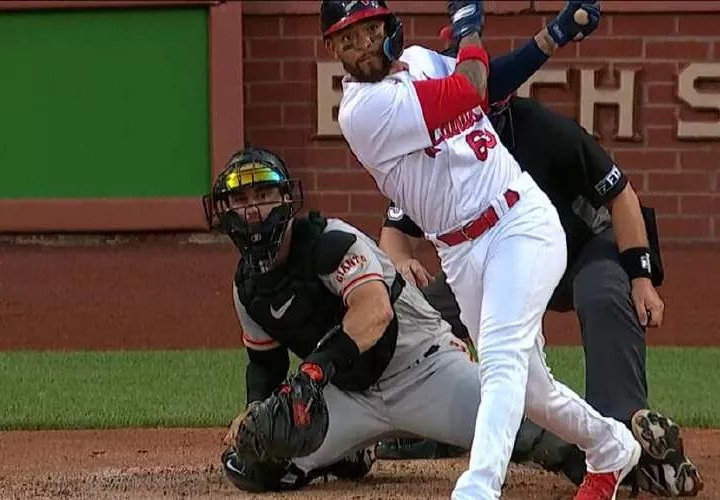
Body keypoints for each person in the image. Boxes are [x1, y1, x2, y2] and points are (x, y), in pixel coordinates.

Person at [327, 0, 644, 498]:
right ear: (333, 50)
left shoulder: (421, 59)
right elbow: (468, 88)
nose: (361, 45)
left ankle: (478, 489)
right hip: (459, 253)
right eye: (346, 39)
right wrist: (469, 30)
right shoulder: (361, 111)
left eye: (367, 31)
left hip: (520, 222)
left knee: (498, 361)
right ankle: (611, 445)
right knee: (533, 393)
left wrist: (549, 34)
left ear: (388, 27)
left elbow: (490, 84)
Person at [205, 145, 602, 494]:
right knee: (255, 462)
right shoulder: (248, 290)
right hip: (349, 394)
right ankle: (352, 452)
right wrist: (254, 410)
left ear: (286, 199)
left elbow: (374, 312)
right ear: (224, 211)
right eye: (241, 199)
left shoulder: (331, 242)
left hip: (423, 369)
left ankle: (622, 453)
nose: (253, 209)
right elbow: (265, 363)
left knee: (527, 430)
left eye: (264, 194)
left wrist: (312, 373)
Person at [377, 95, 704, 497]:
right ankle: (613, 444)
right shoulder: (433, 143)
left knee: (593, 300)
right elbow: (394, 228)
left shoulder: (542, 127)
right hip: (491, 258)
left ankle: (622, 416)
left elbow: (621, 193)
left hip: (580, 245)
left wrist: (641, 276)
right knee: (426, 316)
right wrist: (400, 260)